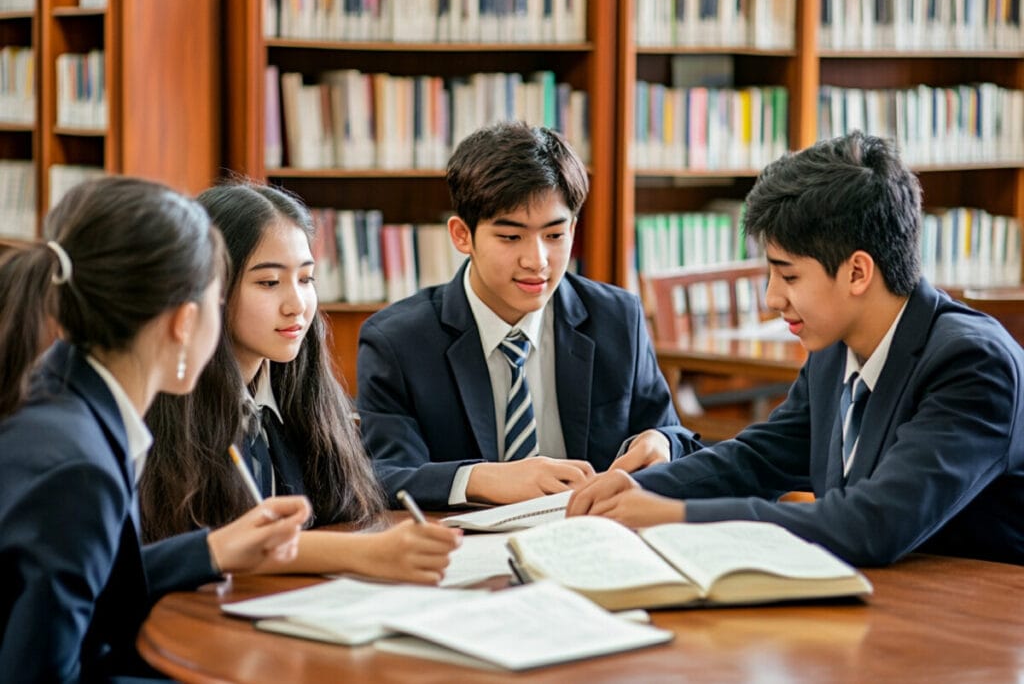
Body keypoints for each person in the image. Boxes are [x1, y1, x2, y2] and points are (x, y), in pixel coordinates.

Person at [568, 131, 1024, 567]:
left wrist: (675, 517)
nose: (771, 298)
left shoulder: (972, 365)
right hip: (882, 599)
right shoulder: (834, 347)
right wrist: (636, 489)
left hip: (980, 618)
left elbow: (873, 524)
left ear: (858, 273)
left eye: (788, 277)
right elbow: (759, 458)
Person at [0, 177, 310, 682]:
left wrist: (210, 550)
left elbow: (93, 587)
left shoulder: (55, 395)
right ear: (184, 322)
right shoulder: (80, 469)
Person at [357, 121, 702, 510]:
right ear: (461, 235)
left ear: (573, 227)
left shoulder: (616, 318)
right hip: (461, 550)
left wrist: (662, 444)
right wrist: (482, 478)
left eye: (555, 236)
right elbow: (381, 474)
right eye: (510, 237)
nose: (536, 261)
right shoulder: (398, 340)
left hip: (593, 539)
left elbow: (674, 434)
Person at [141, 182, 460, 583]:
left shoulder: (305, 395)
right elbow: (205, 550)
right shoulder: (162, 409)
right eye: (269, 283)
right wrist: (359, 553)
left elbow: (343, 508)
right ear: (210, 289)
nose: (297, 306)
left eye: (306, 279)